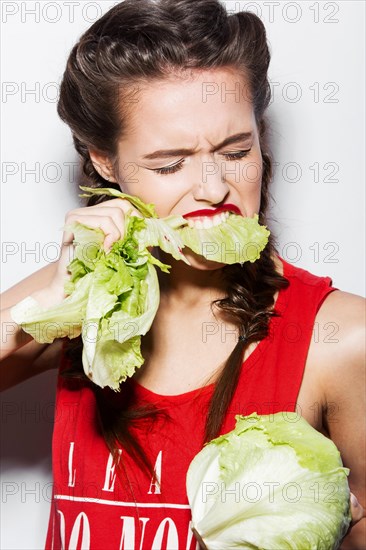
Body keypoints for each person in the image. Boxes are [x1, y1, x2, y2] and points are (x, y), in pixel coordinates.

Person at [1, 0, 365, 548]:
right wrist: (49, 307)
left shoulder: (340, 337)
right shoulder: (81, 303)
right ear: (105, 162)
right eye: (169, 164)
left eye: (237, 150)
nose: (214, 189)